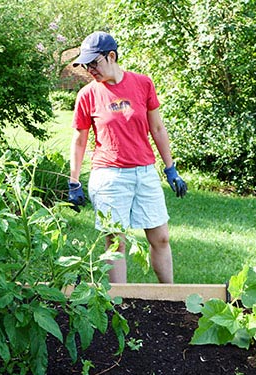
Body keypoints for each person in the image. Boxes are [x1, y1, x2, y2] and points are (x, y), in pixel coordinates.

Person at [68, 31, 187, 284]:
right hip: (108, 176)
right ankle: (117, 305)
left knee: (161, 238)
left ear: (111, 56)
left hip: (144, 172)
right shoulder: (87, 95)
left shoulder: (143, 84)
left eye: (93, 63)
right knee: (115, 243)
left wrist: (171, 168)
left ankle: (171, 298)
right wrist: (74, 180)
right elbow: (79, 140)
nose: (90, 69)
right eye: (86, 65)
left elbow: (157, 129)